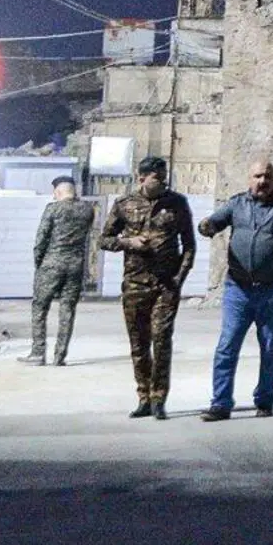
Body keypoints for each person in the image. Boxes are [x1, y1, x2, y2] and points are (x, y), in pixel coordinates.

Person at [199, 160, 273, 421]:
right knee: (227, 346)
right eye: (257, 176)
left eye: (267, 176)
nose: (263, 181)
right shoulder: (237, 204)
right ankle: (221, 404)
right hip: (238, 290)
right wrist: (207, 227)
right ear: (249, 179)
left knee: (272, 348)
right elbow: (215, 222)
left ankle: (264, 400)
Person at [98, 156, 196, 420]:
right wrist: (129, 242)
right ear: (142, 178)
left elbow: (189, 244)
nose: (163, 181)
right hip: (135, 283)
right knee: (139, 343)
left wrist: (179, 278)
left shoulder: (176, 203)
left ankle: (158, 398)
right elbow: (104, 240)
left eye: (164, 177)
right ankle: (143, 396)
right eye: (157, 177)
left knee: (162, 339)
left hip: (165, 285)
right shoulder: (124, 204)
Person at [20, 175, 95, 367]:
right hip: (76, 264)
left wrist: (39, 264)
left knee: (40, 307)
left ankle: (38, 353)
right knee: (67, 309)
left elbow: (41, 240)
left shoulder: (53, 209)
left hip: (52, 263)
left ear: (57, 192)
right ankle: (59, 356)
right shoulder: (87, 210)